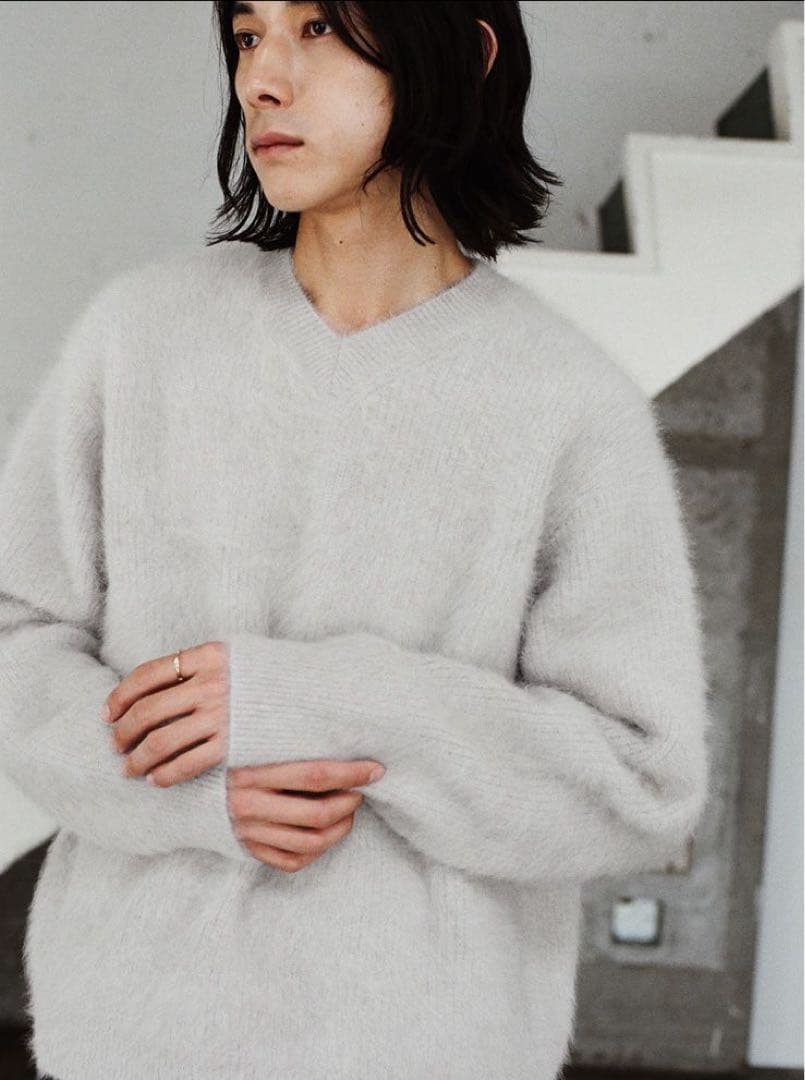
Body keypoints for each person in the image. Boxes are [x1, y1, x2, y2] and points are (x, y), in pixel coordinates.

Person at [1, 2, 711, 1078]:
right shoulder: (140, 337)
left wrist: (331, 701)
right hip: (132, 1036)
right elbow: (17, 637)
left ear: (465, 51)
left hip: (426, 1047)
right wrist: (184, 792)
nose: (262, 78)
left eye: (321, 27)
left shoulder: (564, 402)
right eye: (249, 34)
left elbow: (638, 783)